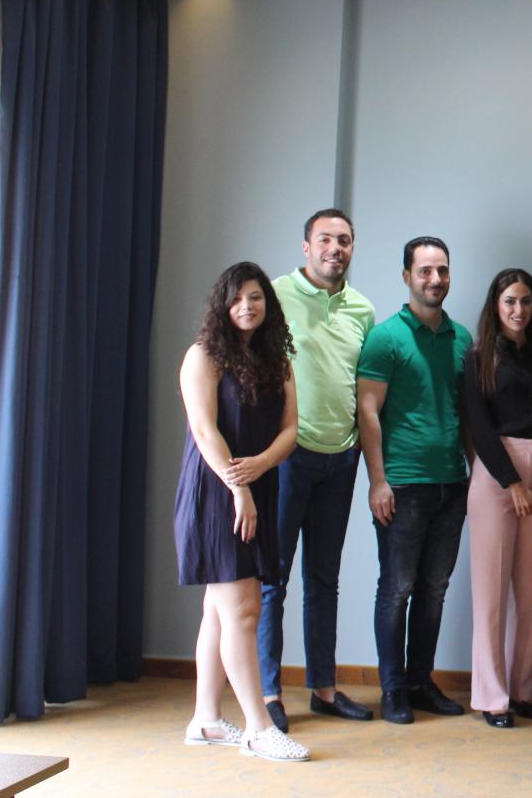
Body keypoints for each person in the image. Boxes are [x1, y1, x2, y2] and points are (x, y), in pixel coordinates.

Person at [174, 262, 310, 762]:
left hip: (257, 484)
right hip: (217, 492)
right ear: (222, 305)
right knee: (244, 609)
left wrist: (261, 466)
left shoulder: (277, 360)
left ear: (267, 304)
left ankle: (206, 720)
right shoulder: (204, 355)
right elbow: (204, 430)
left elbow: (291, 429)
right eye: (236, 298)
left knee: (219, 609)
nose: (246, 306)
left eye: (255, 297)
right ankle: (258, 728)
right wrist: (239, 487)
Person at [257, 208, 376, 734]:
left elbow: (363, 388)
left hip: (341, 457)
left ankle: (324, 689)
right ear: (306, 246)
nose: (335, 248)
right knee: (273, 579)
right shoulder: (275, 296)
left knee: (324, 580)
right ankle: (266, 693)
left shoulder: (362, 310)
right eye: (325, 239)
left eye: (344, 240)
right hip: (288, 456)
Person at [356, 236, 471, 724]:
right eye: (425, 271)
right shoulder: (386, 338)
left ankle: (421, 681)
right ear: (407, 276)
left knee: (434, 589)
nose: (435, 279)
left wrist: (475, 477)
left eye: (442, 270)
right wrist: (377, 481)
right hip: (402, 485)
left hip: (452, 483)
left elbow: (469, 415)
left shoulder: (462, 339)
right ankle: (392, 689)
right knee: (397, 588)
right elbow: (367, 411)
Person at [460, 268, 532, 729]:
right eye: (509, 302)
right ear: (495, 306)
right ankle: (491, 697)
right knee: (491, 594)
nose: (518, 310)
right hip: (496, 474)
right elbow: (478, 426)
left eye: (525, 301)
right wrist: (513, 483)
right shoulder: (478, 357)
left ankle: (522, 691)